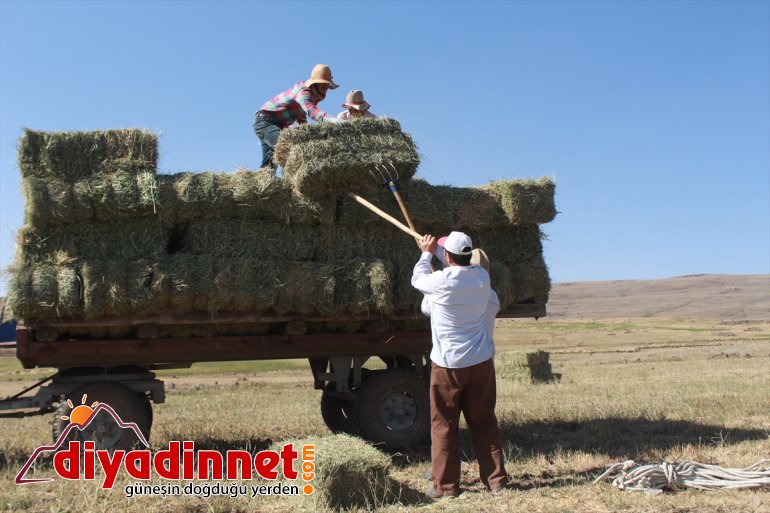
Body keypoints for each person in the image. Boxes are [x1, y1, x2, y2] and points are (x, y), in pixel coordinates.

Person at [411, 231, 509, 498]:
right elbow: (450, 279)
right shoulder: (482, 280)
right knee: (484, 421)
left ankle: (445, 487)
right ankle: (496, 481)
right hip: (480, 363)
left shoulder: (440, 283)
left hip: (448, 365)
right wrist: (437, 258)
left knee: (443, 425)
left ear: (447, 256)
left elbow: (418, 281)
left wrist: (425, 253)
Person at [253, 64, 339, 168]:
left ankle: (269, 181)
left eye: (327, 84)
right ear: (315, 83)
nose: (325, 87)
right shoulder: (304, 92)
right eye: (322, 84)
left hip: (276, 124)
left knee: (269, 166)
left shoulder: (313, 95)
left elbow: (301, 114)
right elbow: (311, 111)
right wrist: (335, 121)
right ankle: (291, 182)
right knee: (288, 149)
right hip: (265, 122)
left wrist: (306, 131)